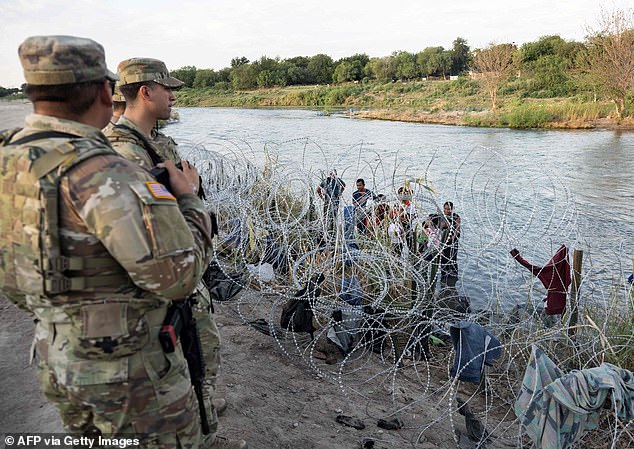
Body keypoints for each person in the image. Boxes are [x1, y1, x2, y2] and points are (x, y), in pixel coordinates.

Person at [1, 35, 214, 447]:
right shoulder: (105, 173)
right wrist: (190, 199)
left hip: (55, 351)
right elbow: (179, 277)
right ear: (104, 90)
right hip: (126, 370)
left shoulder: (12, 158)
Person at [105, 58, 243, 449]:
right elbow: (147, 231)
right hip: (165, 282)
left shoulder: (153, 141)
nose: (173, 95)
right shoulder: (126, 154)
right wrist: (188, 192)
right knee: (183, 366)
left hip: (185, 273)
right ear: (146, 91)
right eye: (167, 88)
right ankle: (202, 435)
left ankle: (206, 424)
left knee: (200, 357)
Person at [317, 168, 345, 242]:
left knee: (334, 217)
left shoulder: (338, 180)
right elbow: (318, 190)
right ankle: (324, 233)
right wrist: (323, 199)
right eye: (331, 173)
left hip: (335, 201)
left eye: (334, 174)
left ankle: (332, 233)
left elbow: (344, 185)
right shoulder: (326, 181)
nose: (332, 175)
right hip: (327, 202)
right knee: (326, 217)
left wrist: (339, 193)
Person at [439, 201, 461, 287]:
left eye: (449, 209)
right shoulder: (441, 216)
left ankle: (453, 277)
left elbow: (457, 230)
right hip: (443, 242)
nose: (447, 211)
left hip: (453, 242)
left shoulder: (456, 217)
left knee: (452, 259)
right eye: (445, 209)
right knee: (443, 259)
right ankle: (444, 277)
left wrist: (451, 239)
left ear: (452, 209)